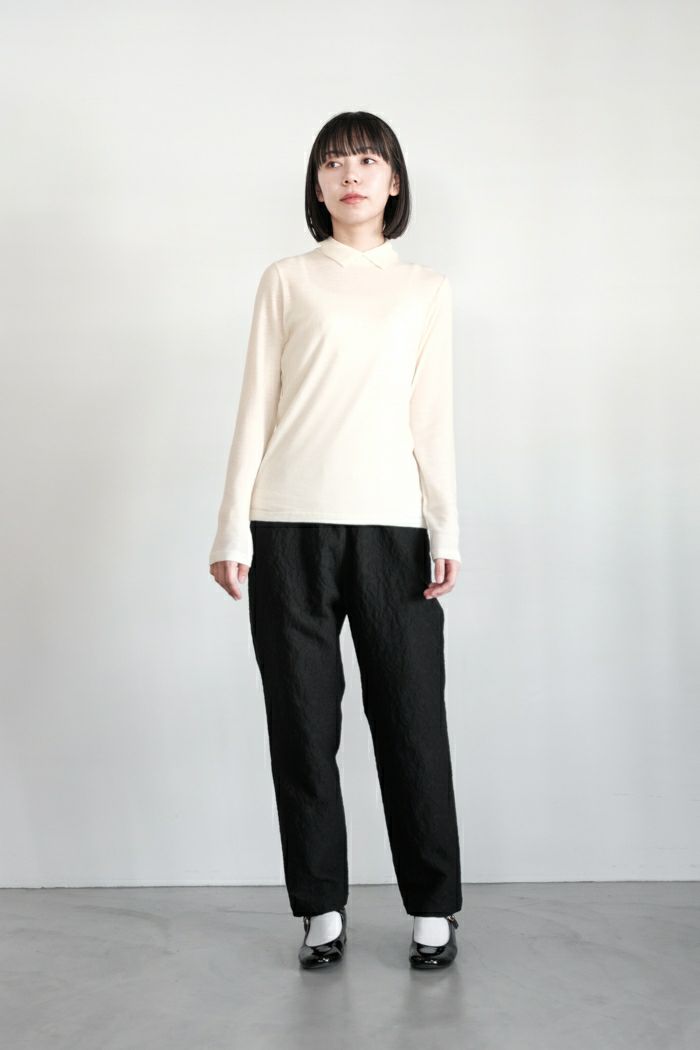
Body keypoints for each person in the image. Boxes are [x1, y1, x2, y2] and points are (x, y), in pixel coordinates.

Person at [209, 111, 462, 969]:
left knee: (412, 721)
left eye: (367, 160)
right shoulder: (287, 280)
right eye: (334, 162)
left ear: (394, 181)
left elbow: (433, 419)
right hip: (287, 527)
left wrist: (445, 525)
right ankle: (320, 906)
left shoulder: (425, 289)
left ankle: (434, 906)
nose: (351, 175)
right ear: (316, 185)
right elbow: (255, 405)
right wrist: (232, 527)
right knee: (303, 725)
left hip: (394, 531)